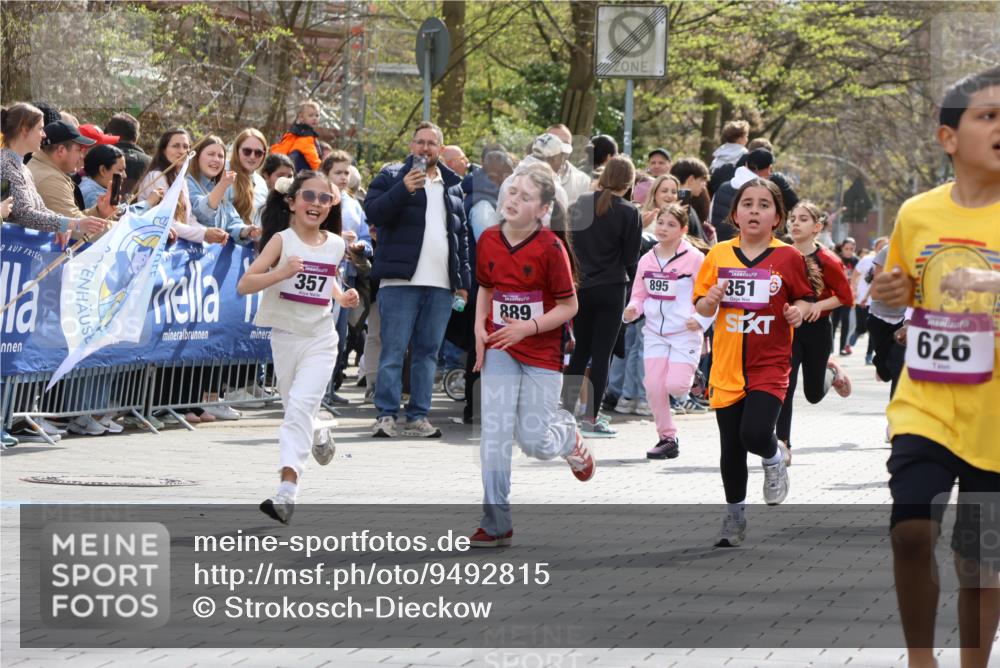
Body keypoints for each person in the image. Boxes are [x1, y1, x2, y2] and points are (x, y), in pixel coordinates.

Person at [871, 65, 999, 668]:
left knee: (982, 558)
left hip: (995, 417)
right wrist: (889, 292)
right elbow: (890, 293)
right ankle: (920, 659)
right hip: (925, 398)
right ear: (949, 138)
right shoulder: (916, 213)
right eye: (988, 116)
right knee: (911, 531)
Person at [471, 163, 594, 547]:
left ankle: (568, 436)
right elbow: (486, 289)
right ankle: (496, 522)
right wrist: (480, 328)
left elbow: (569, 306)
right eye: (511, 193)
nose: (513, 200)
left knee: (533, 441)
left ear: (542, 210)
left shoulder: (551, 248)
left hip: (542, 350)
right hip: (500, 346)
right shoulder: (489, 239)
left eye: (525, 197)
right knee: (493, 435)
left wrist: (528, 326)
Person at [693, 178, 814, 547]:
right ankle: (734, 518)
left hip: (770, 363)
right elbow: (700, 307)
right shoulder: (718, 255)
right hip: (727, 364)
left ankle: (775, 455)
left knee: (755, 434)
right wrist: (711, 300)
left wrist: (798, 312)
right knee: (730, 446)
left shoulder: (788, 257)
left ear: (777, 217)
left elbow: (807, 299)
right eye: (747, 204)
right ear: (734, 213)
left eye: (764, 205)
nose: (755, 211)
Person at [238, 171, 359, 524]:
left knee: (296, 414)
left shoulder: (336, 244)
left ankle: (286, 493)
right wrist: (280, 273)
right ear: (291, 202)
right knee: (298, 410)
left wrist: (342, 295)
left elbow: (326, 278)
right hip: (286, 338)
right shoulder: (281, 241)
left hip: (321, 339)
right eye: (309, 196)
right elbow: (245, 284)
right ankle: (320, 429)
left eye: (325, 199)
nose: (317, 205)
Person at [363, 121, 471, 438]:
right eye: (420, 142)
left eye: (431, 143)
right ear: (411, 146)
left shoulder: (453, 185)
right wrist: (403, 189)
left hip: (440, 285)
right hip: (399, 282)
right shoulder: (391, 176)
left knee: (428, 354)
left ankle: (418, 415)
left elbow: (460, 237)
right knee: (393, 351)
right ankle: (385, 415)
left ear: (440, 148)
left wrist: (462, 281)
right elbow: (375, 213)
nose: (425, 148)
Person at [623, 204, 714, 459]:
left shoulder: (695, 258)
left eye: (671, 224)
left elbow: (711, 294)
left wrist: (701, 320)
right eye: (660, 222)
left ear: (683, 230)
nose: (663, 228)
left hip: (685, 332)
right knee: (652, 386)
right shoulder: (647, 259)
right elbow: (639, 295)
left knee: (676, 387)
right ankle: (667, 437)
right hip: (654, 333)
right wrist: (632, 309)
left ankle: (693, 377)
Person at [561, 155, 643, 437]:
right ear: (630, 182)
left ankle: (564, 412)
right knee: (602, 354)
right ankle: (591, 418)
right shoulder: (629, 212)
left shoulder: (577, 205)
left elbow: (567, 246)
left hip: (580, 287)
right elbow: (632, 258)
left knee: (580, 351)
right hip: (612, 287)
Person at [774, 201, 854, 465]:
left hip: (818, 330)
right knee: (785, 387)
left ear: (817, 227)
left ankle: (832, 372)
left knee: (812, 394)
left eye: (803, 219)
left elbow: (845, 297)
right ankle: (783, 444)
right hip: (789, 330)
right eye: (793, 218)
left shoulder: (828, 259)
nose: (795, 223)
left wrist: (817, 305)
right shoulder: (781, 254)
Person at [137, 128, 224, 245]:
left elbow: (189, 219)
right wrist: (204, 234)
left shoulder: (182, 180)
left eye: (185, 146)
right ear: (163, 150)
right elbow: (164, 221)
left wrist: (208, 232)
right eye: (176, 146)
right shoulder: (157, 176)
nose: (182, 151)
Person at [27, 121, 117, 227]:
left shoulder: (43, 168)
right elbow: (74, 228)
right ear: (61, 150)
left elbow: (74, 221)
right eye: (78, 150)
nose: (81, 156)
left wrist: (99, 211)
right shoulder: (50, 178)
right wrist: (123, 232)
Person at [709, 148, 774, 241]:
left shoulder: (723, 187)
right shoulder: (764, 193)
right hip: (749, 248)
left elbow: (710, 217)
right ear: (769, 169)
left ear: (746, 164)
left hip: (720, 245)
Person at [270, 100, 323, 172]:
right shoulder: (306, 136)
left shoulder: (294, 132)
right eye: (310, 115)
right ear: (301, 117)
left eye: (317, 115)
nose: (314, 118)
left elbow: (281, 149)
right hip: (303, 171)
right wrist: (323, 171)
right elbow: (312, 158)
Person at [544, 124, 591, 204]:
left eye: (565, 144)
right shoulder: (525, 170)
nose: (560, 147)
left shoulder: (583, 181)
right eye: (554, 141)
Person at [105, 112, 149, 196]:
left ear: (110, 134)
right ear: (136, 137)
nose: (123, 175)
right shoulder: (151, 163)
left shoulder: (100, 158)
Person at [830, 236, 860, 355]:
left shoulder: (856, 261)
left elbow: (859, 277)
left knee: (846, 321)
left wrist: (856, 291)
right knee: (834, 320)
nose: (849, 251)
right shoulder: (836, 259)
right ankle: (830, 347)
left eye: (851, 249)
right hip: (836, 294)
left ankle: (842, 347)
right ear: (842, 248)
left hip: (848, 294)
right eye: (846, 248)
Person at [79, 144, 126, 209]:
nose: (124, 175)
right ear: (103, 170)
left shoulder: (97, 189)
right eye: (120, 170)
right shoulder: (93, 196)